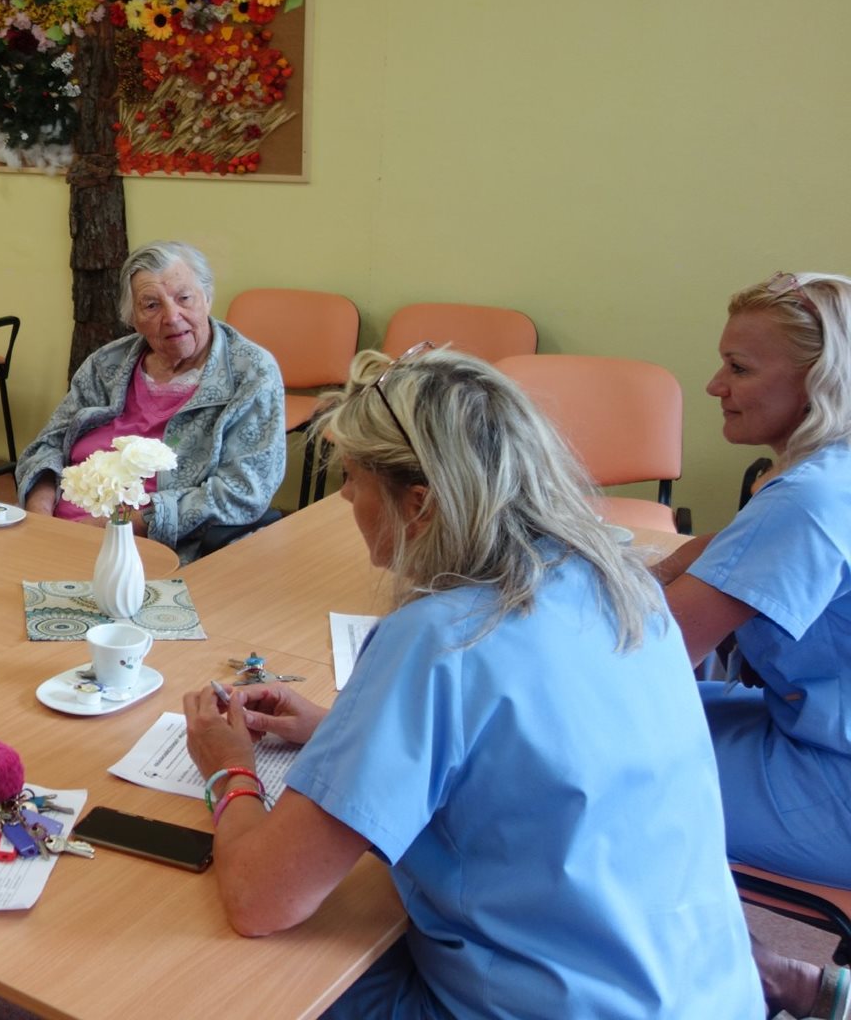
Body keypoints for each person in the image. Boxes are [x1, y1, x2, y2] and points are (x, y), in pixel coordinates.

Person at [182, 348, 758, 1019]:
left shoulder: (440, 638)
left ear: (419, 506)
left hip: (552, 1005)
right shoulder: (622, 583)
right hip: (707, 989)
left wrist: (229, 770)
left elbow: (261, 898)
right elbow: (527, 746)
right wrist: (338, 733)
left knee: (233, 977)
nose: (344, 497)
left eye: (354, 478)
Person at [651, 271, 851, 1019]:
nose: (714, 385)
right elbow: (720, 554)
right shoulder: (825, 474)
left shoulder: (805, 500)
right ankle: (768, 973)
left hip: (833, 783)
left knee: (578, 765)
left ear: (819, 382)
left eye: (738, 368)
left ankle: (735, 978)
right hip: (817, 736)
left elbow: (640, 665)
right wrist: (668, 565)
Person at [11, 241, 284, 561]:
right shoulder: (106, 365)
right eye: (151, 305)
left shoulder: (250, 373)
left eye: (184, 298)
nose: (172, 316)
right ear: (133, 319)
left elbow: (242, 492)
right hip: (57, 536)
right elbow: (48, 445)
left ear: (207, 298)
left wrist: (119, 525)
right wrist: (41, 519)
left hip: (153, 549)